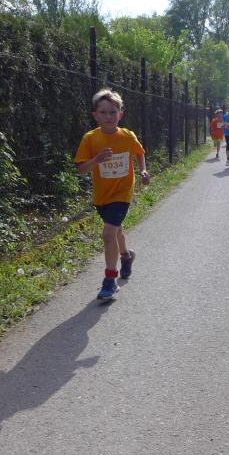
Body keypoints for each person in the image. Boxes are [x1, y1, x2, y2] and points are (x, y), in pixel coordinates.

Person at [75, 89, 150, 300]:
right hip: (102, 195)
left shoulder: (127, 136)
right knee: (116, 232)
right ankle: (126, 256)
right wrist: (96, 160)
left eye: (113, 112)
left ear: (120, 114)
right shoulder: (90, 139)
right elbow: (81, 169)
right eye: (103, 112)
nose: (108, 116)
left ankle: (110, 280)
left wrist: (143, 170)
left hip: (123, 192)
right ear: (95, 115)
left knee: (108, 234)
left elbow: (139, 152)